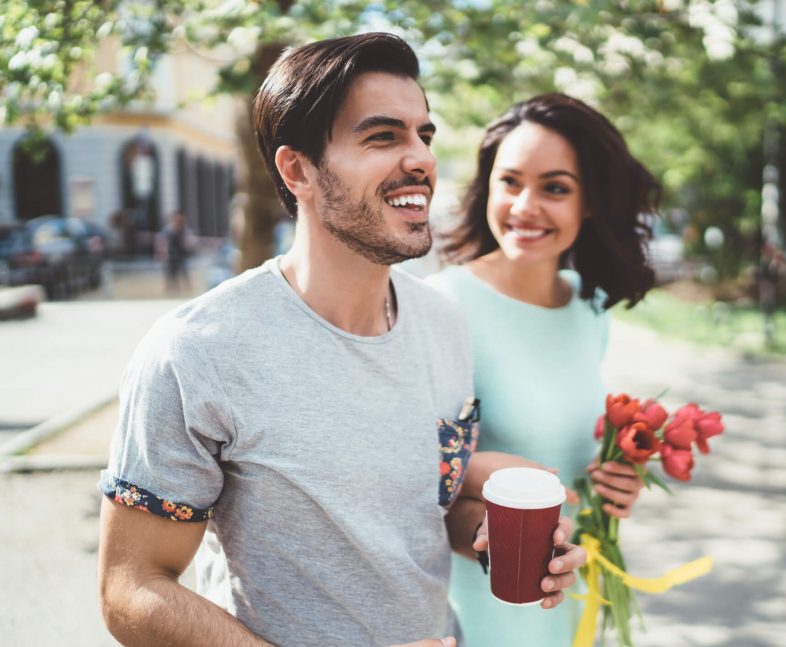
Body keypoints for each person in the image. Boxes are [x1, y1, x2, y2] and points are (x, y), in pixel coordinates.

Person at [97, 33, 584, 647]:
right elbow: (131, 586)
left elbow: (426, 511)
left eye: (423, 135)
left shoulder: (443, 324)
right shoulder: (198, 350)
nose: (421, 159)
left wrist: (493, 538)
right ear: (297, 168)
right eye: (383, 136)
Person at [426, 93, 657, 647]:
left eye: (555, 187)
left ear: (591, 202)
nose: (525, 206)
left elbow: (568, 455)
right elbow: (414, 475)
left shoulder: (588, 307)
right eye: (510, 182)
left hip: (572, 606)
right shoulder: (438, 308)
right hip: (476, 614)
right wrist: (491, 516)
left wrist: (614, 487)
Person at [158, 210, 194, 292]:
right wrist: (162, 252)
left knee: (184, 274)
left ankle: (187, 289)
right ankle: (171, 290)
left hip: (181, 255)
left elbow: (189, 241)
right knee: (170, 275)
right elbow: (162, 241)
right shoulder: (169, 230)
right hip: (171, 256)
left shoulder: (184, 230)